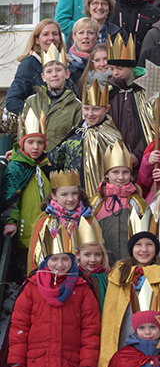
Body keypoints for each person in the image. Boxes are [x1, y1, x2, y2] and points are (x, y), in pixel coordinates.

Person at [8, 228, 101, 367]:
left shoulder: (82, 288)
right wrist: (16, 366)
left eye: (65, 259)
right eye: (54, 259)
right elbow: (18, 330)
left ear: (73, 259)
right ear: (45, 261)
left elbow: (91, 332)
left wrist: (87, 366)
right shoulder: (31, 287)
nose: (60, 264)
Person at [89, 222, 160, 367]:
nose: (143, 249)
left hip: (156, 346)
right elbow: (111, 315)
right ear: (131, 249)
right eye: (139, 245)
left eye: (149, 245)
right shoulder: (119, 275)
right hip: (125, 342)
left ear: (156, 248)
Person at [49, 79, 124, 197]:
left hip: (101, 196)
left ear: (107, 109)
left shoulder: (111, 136)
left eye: (96, 109)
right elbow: (55, 159)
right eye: (86, 108)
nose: (90, 114)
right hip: (74, 195)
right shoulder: (77, 132)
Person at [1, 109, 50, 279]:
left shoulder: (45, 166)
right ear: (22, 143)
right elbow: (10, 198)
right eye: (30, 142)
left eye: (40, 142)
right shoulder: (17, 167)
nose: (35, 147)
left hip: (44, 228)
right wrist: (10, 221)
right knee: (26, 270)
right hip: (25, 228)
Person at [28, 169, 94, 272]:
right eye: (64, 194)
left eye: (74, 193)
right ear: (53, 195)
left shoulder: (87, 217)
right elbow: (37, 254)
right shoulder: (47, 220)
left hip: (83, 276)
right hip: (55, 273)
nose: (71, 199)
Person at [93, 141, 147, 267]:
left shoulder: (137, 202)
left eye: (125, 172)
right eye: (115, 172)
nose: (121, 177)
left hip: (131, 264)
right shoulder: (96, 202)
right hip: (105, 265)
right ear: (106, 174)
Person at [23, 43, 82, 151]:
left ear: (67, 74)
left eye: (59, 70)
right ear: (43, 77)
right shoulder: (32, 101)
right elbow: (23, 133)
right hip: (34, 161)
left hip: (61, 164)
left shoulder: (76, 105)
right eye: (49, 71)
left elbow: (78, 139)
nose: (54, 74)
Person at [107, 35, 155, 166]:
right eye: (112, 69)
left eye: (120, 68)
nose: (115, 73)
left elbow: (151, 125)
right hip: (115, 156)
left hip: (143, 156)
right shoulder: (109, 93)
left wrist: (138, 154)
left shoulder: (144, 90)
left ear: (131, 67)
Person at [5, 19, 65, 114]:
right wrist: (40, 115)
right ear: (37, 40)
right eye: (46, 34)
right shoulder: (29, 64)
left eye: (55, 34)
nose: (51, 38)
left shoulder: (67, 64)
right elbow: (12, 101)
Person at [75, 216, 109, 315]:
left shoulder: (107, 276)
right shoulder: (76, 277)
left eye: (97, 255)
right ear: (78, 255)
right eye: (87, 255)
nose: (93, 260)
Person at [67, 17, 99, 87]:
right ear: (74, 37)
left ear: (96, 37)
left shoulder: (103, 62)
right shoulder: (66, 63)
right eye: (81, 32)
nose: (85, 36)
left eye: (90, 33)